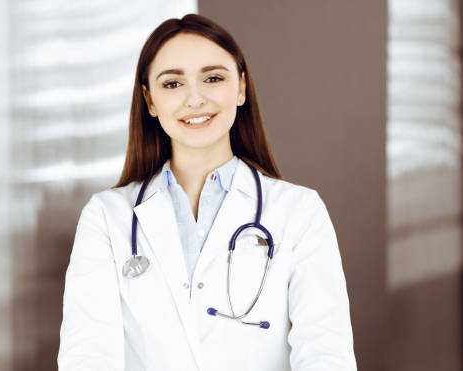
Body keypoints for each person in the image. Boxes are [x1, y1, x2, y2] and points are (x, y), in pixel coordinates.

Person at [58, 13, 356, 371]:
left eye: (213, 78)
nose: (195, 99)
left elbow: (326, 354)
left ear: (241, 88)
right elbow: (87, 358)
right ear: (149, 101)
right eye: (172, 84)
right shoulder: (107, 217)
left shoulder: (300, 211)